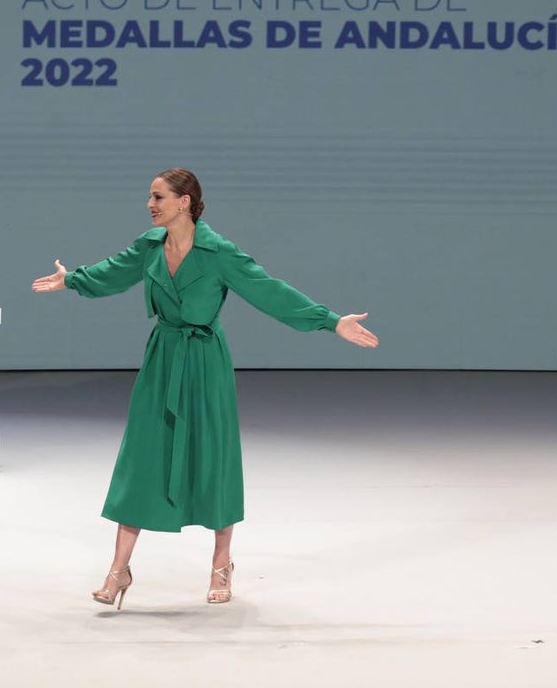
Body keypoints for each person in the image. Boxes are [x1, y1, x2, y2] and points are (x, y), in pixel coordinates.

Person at [32, 168, 378, 608]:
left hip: (205, 362)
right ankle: (119, 571)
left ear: (185, 202)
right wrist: (72, 279)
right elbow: (113, 272)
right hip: (162, 360)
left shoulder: (219, 253)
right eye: (149, 197)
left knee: (212, 456)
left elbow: (269, 291)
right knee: (143, 456)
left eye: (158, 197)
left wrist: (330, 321)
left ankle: (221, 561)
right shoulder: (150, 246)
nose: (150, 204)